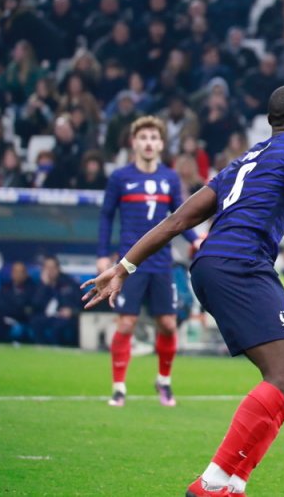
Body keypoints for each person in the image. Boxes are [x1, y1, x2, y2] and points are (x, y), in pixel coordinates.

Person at [81, 84, 284, 497]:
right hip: (241, 264)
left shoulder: (243, 161)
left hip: (212, 266)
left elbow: (176, 221)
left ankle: (232, 484)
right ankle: (214, 481)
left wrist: (124, 266)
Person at [97, 117, 198, 408]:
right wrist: (103, 255)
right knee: (126, 323)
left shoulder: (169, 178)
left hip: (161, 262)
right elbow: (106, 217)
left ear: (162, 144)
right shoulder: (119, 178)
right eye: (143, 138)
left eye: (154, 137)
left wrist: (195, 240)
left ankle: (164, 382)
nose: (149, 143)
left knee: (167, 324)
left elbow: (180, 216)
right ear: (134, 142)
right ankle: (118, 388)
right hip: (129, 263)